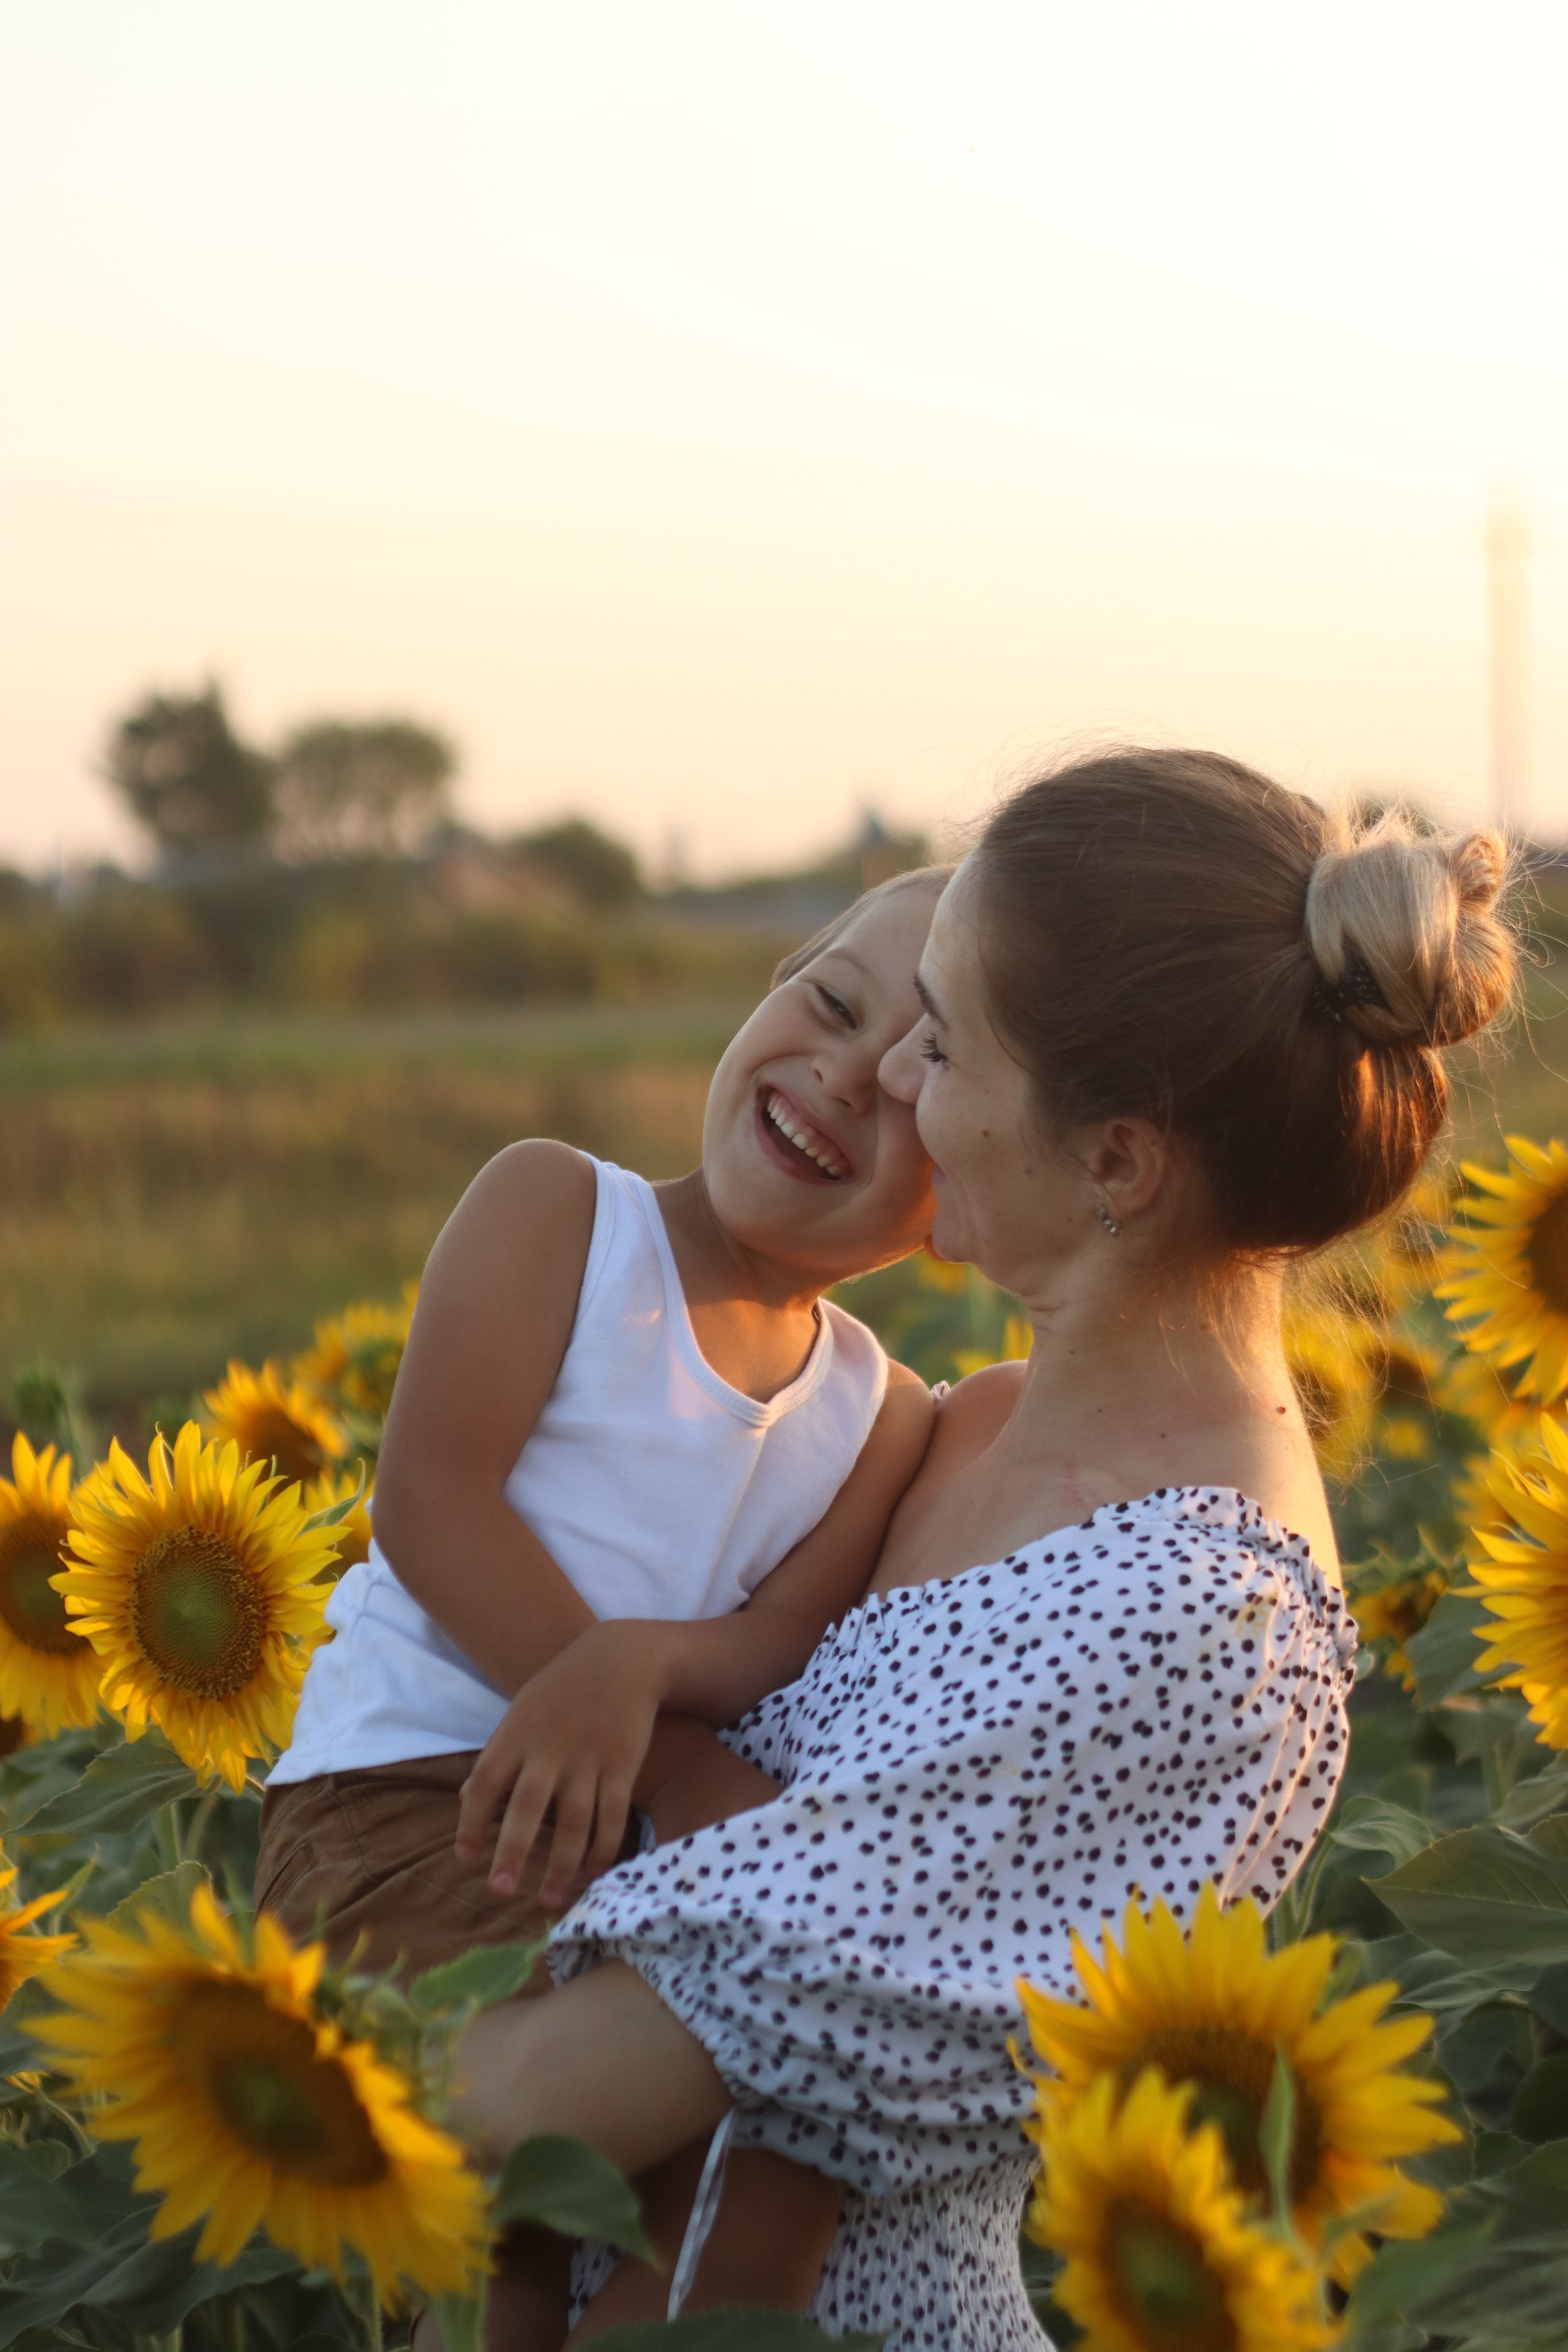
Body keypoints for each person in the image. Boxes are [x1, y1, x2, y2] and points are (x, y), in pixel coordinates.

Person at [443, 747, 1516, 2350]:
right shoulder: (963, 1425)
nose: (883, 1088)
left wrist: (176, 2056)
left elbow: (561, 2100)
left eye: (939, 1045)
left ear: (1115, 1161)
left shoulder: (1202, 1618)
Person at [253, 864, 950, 2342]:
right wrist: (642, 1729)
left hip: (632, 1853)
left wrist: (644, 1679)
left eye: (906, 1095)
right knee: (507, 2228)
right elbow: (434, 1500)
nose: (838, 1078)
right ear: (769, 982)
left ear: (965, 1196)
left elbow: (779, 1641)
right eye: (827, 1003)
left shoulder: (874, 1412)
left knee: (697, 2191)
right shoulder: (564, 1212)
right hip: (411, 1805)